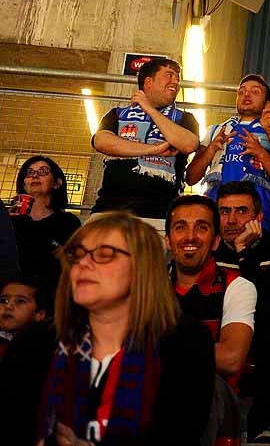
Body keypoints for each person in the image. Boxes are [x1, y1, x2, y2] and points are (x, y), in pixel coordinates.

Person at [36, 212, 214, 445]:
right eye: (75, 255)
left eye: (103, 254)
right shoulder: (36, 342)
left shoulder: (186, 343)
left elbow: (178, 435)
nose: (83, 264)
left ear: (142, 267)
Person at [166, 194, 256, 445]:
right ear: (168, 241)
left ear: (216, 241)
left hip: (217, 395)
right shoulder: (149, 286)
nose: (190, 237)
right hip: (155, 383)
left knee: (194, 383)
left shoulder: (237, 286)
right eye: (180, 227)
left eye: (201, 228)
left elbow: (230, 359)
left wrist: (156, 347)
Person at [213, 181, 270, 444]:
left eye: (241, 211)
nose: (232, 220)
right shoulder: (208, 246)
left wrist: (243, 253)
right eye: (224, 211)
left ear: (258, 217)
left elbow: (268, 299)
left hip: (259, 330)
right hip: (214, 326)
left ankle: (267, 425)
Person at [91, 58, 200, 223]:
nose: (176, 81)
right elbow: (101, 141)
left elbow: (189, 143)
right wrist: (153, 149)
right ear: (148, 82)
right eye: (169, 75)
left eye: (177, 77)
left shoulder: (185, 118)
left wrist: (148, 109)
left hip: (160, 215)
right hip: (109, 210)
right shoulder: (118, 113)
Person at [186, 74, 270, 231]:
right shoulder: (215, 130)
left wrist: (261, 153)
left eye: (255, 91)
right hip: (216, 211)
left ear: (267, 103)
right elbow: (191, 178)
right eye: (242, 91)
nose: (246, 94)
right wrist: (211, 149)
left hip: (256, 215)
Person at [0, 275, 55, 446]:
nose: (8, 306)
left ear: (39, 314)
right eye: (3, 300)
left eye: (21, 301)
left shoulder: (40, 349)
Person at [10, 156, 80, 288]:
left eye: (43, 171)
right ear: (24, 184)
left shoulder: (67, 222)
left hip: (49, 290)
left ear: (56, 183)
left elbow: (70, 264)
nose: (35, 176)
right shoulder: (8, 218)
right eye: (29, 172)